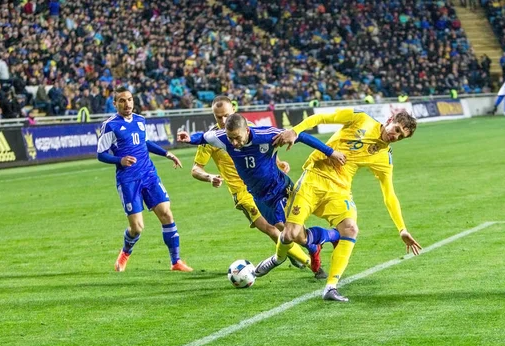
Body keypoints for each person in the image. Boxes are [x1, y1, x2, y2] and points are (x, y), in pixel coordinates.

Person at [256, 108, 422, 302]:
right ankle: (279, 257)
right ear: (390, 119)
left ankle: (331, 287)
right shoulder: (360, 119)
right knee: (290, 235)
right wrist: (295, 130)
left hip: (339, 190)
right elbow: (322, 117)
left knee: (350, 229)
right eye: (397, 129)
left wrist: (402, 228)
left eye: (401, 136)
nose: (396, 136)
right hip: (313, 178)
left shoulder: (384, 157)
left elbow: (389, 193)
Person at [177, 113, 346, 277]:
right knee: (293, 234)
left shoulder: (267, 136)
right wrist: (189, 138)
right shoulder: (222, 138)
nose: (234, 143)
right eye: (231, 138)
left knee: (289, 232)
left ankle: (334, 236)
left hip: (279, 188)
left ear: (247, 131)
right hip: (259, 196)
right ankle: (315, 246)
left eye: (237, 137)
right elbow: (203, 137)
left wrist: (331, 153)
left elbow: (300, 136)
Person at [97, 86, 192, 272]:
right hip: (128, 180)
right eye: (122, 101)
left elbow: (145, 143)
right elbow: (100, 154)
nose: (127, 104)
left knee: (166, 213)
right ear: (115, 103)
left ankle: (176, 262)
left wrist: (167, 153)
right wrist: (120, 160)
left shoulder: (140, 120)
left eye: (130, 99)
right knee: (137, 228)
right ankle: (125, 252)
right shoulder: (110, 125)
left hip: (149, 174)